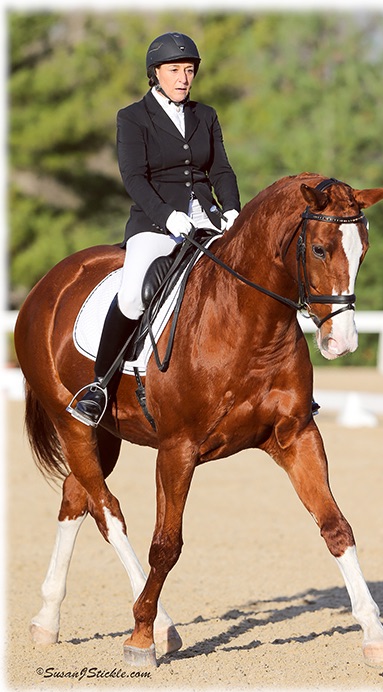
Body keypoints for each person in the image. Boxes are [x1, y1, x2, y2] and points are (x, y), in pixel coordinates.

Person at [68, 31, 241, 427]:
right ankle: (98, 385)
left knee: (249, 278)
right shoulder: (132, 117)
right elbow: (133, 177)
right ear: (155, 74)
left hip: (207, 221)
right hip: (155, 223)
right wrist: (167, 216)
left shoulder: (206, 115)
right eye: (175, 70)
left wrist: (231, 210)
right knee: (132, 297)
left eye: (189, 70)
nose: (183, 78)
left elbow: (221, 169)